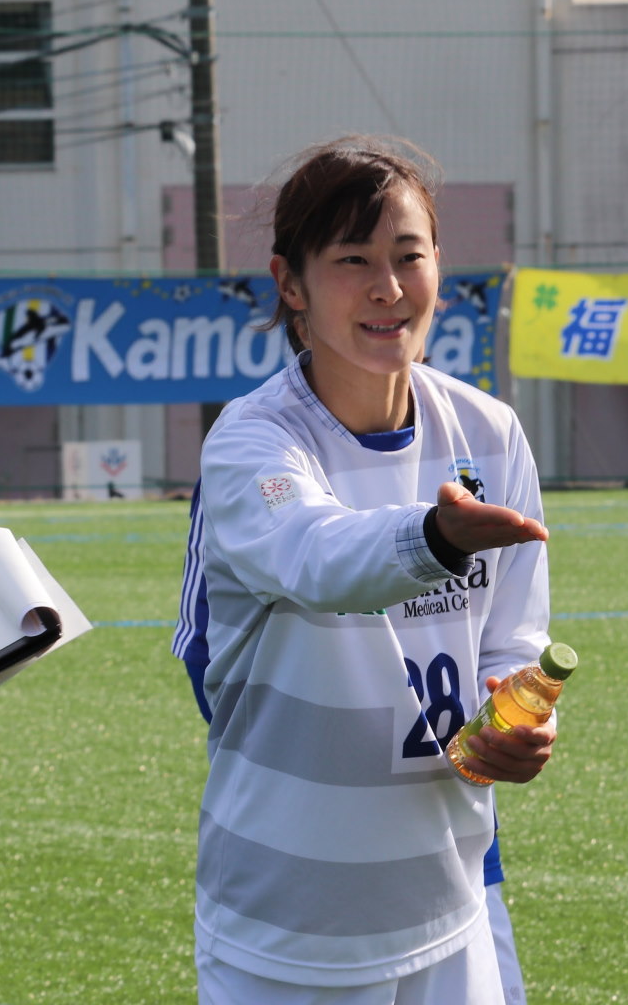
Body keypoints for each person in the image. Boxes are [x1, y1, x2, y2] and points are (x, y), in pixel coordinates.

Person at [183, 134, 553, 1003]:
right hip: (288, 925)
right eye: (353, 259)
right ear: (291, 282)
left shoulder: (489, 432)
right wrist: (435, 536)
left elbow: (513, 635)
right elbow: (317, 557)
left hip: (452, 900)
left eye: (408, 256)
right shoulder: (253, 441)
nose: (388, 287)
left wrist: (517, 713)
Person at [176, 487, 530, 1004]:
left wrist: (517, 718)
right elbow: (206, 648)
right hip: (308, 875)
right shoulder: (250, 457)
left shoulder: (493, 445)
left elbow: (511, 638)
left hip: (458, 852)